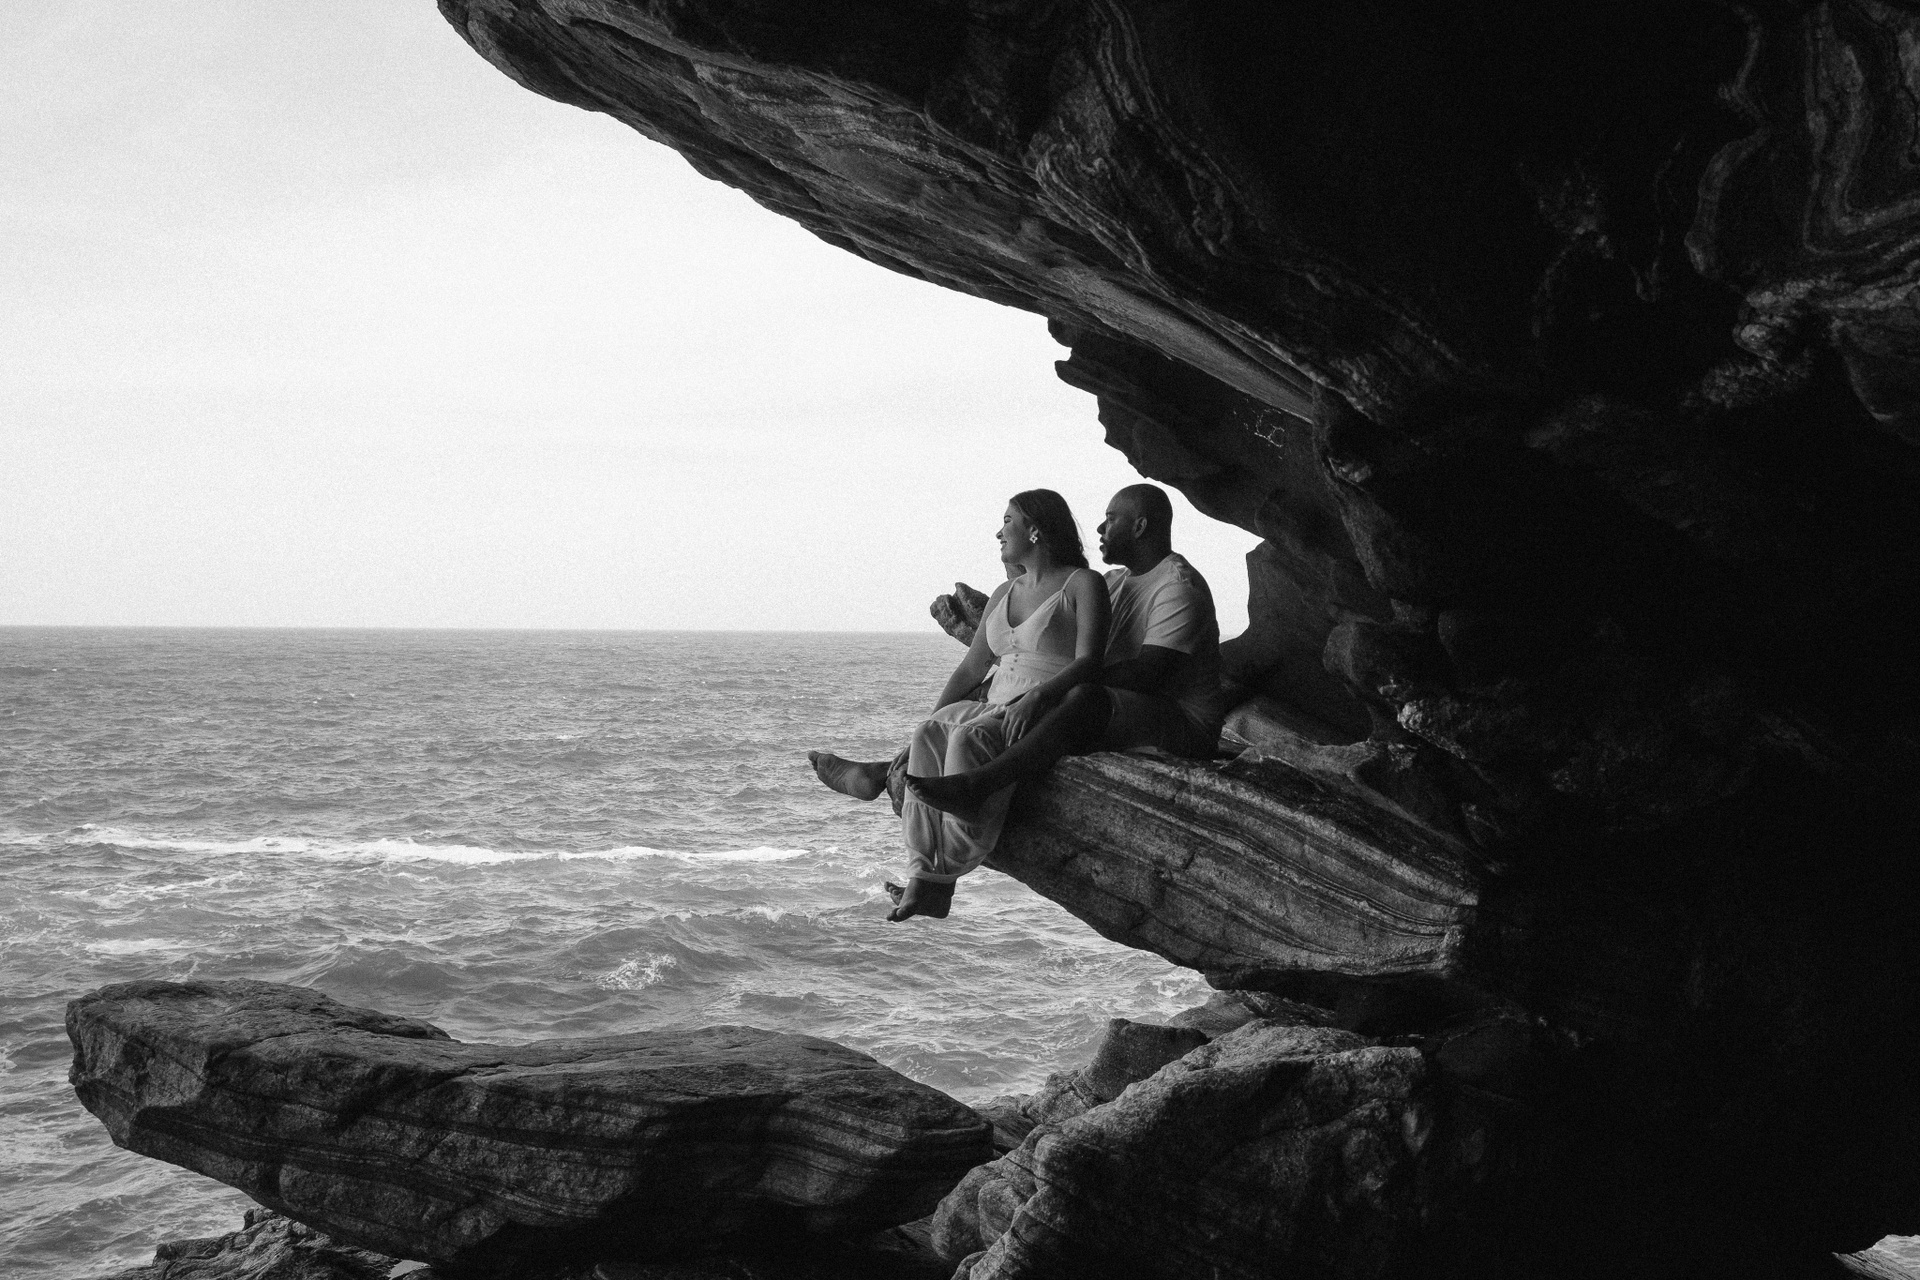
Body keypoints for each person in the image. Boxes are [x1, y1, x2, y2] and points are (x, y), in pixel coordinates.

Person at [810, 483, 1225, 915]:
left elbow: (1146, 674)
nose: (1100, 528)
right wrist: (1013, 685)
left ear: (1139, 526)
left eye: (1111, 519)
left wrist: (1041, 692)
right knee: (948, 722)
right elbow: (1010, 659)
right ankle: (916, 841)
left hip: (1178, 720)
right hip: (1122, 700)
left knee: (1077, 697)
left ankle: (978, 784)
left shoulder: (1175, 586)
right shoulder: (1116, 582)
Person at [811, 490, 1109, 922]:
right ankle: (922, 874)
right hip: (996, 700)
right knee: (929, 735)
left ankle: (939, 876)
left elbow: (1090, 661)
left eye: (1007, 521)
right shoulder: (1005, 592)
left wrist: (1039, 697)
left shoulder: (1081, 583)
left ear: (1035, 529)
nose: (998, 533)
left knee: (969, 740)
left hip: (1047, 705)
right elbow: (972, 669)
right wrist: (933, 718)